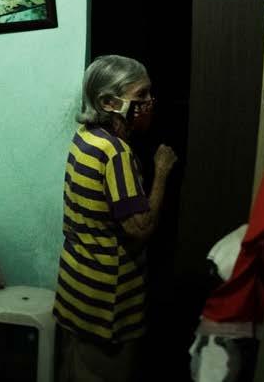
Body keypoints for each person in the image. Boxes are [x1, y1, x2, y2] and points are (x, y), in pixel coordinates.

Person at [53, 54, 178, 382]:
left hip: (76, 287)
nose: (149, 102)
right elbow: (140, 228)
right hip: (105, 300)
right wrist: (162, 171)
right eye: (140, 95)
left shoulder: (86, 136)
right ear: (109, 102)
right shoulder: (116, 153)